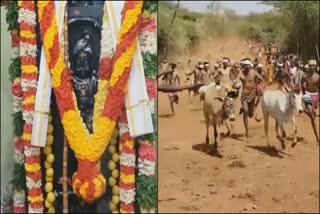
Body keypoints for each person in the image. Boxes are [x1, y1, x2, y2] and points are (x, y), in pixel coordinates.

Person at [237, 60, 264, 138]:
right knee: (246, 110)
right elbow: (237, 80)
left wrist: (260, 87)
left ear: (249, 66)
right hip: (244, 95)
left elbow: (261, 79)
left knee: (251, 114)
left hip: (252, 95)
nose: (245, 67)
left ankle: (247, 109)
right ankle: (247, 131)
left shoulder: (254, 72)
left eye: (247, 66)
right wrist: (237, 83)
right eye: (244, 66)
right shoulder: (241, 73)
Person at [301, 59, 319, 143]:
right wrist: (304, 95)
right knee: (312, 117)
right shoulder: (304, 76)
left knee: (313, 115)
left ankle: (307, 111)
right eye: (310, 65)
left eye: (313, 65)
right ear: (308, 66)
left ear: (315, 66)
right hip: (307, 95)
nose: (311, 67)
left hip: (315, 95)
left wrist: (317, 101)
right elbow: (302, 87)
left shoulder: (318, 77)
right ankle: (317, 137)